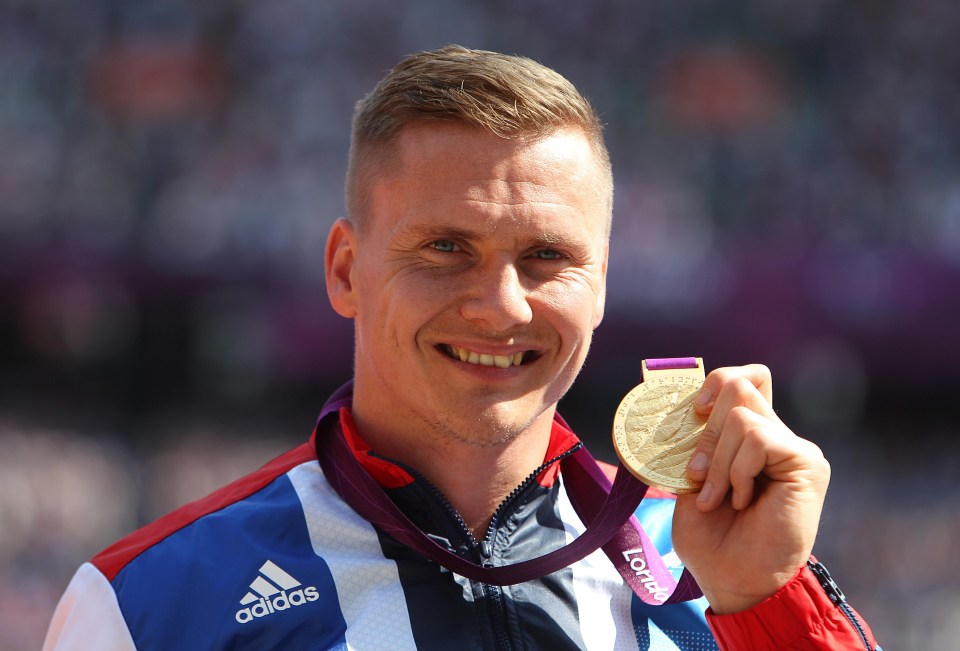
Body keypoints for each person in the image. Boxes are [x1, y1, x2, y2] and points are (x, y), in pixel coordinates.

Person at [43, 45, 879, 650]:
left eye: (548, 256)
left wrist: (767, 603)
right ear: (345, 269)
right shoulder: (147, 604)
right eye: (445, 248)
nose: (501, 305)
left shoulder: (715, 573)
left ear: (602, 285)